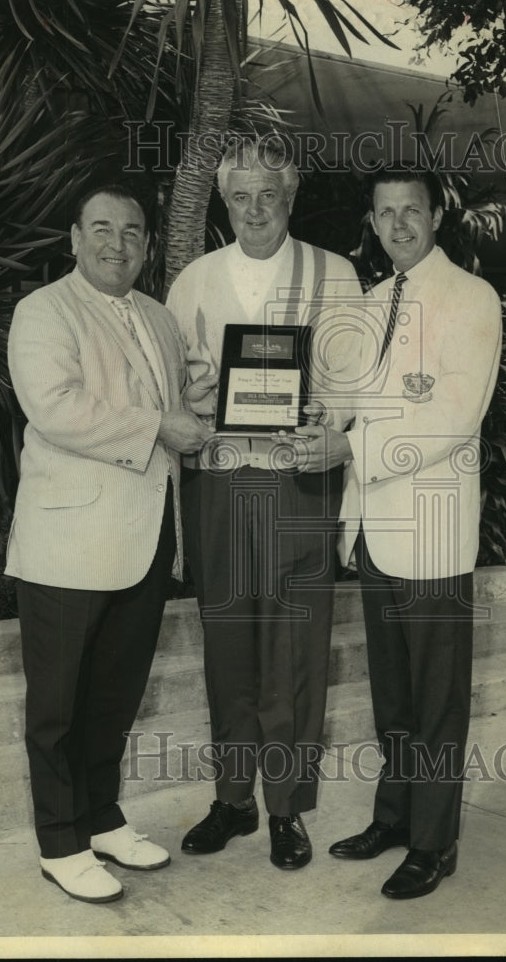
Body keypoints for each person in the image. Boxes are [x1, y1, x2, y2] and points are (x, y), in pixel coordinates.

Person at [284, 166, 502, 897]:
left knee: (436, 700)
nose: (399, 224)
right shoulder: (370, 303)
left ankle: (434, 843)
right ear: (372, 225)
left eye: (412, 210)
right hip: (373, 531)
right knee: (393, 699)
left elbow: (453, 416)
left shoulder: (470, 299)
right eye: (385, 214)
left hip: (433, 534)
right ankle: (396, 815)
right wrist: (310, 417)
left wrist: (350, 448)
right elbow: (343, 402)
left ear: (436, 217)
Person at [5, 180, 211, 904]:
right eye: (100, 228)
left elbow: (190, 395)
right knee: (58, 704)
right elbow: (58, 408)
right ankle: (59, 843)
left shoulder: (157, 317)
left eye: (130, 232)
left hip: (147, 537)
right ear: (73, 237)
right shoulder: (42, 312)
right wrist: (160, 426)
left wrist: (263, 396)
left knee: (115, 696)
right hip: (68, 542)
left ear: (148, 245)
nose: (115, 244)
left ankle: (100, 816)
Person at [166, 135, 364, 870]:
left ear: (291, 197)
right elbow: (173, 385)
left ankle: (286, 807)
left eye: (269, 195)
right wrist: (193, 398)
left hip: (298, 482)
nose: (255, 209)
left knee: (296, 647)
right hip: (219, 482)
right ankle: (231, 800)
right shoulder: (191, 281)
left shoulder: (334, 275)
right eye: (241, 196)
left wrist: (328, 422)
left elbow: (351, 380)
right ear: (225, 201)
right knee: (226, 643)